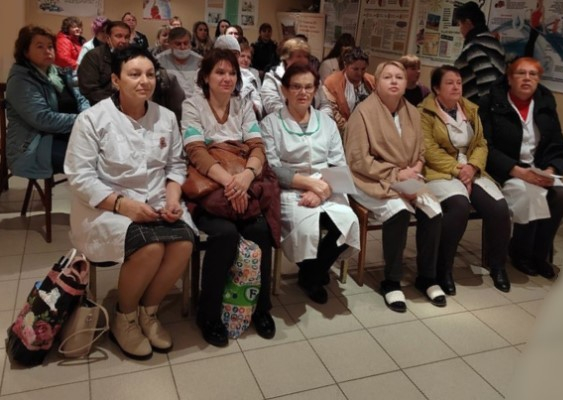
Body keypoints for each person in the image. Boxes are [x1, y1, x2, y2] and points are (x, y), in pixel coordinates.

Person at [64, 46, 195, 360]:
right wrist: (125, 206)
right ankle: (124, 317)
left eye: (149, 74)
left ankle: (148, 312)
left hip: (157, 200)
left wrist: (173, 199)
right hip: (105, 208)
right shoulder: (92, 120)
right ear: (115, 79)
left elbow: (175, 165)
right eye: (134, 74)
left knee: (183, 243)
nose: (144, 81)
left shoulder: (165, 117)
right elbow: (80, 176)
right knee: (150, 248)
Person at [181, 49, 278, 347]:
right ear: (206, 77)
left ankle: (260, 308)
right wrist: (230, 183)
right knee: (224, 234)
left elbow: (257, 147)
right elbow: (196, 151)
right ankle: (208, 314)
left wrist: (246, 177)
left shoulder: (243, 105)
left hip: (242, 180)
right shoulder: (192, 105)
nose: (227, 78)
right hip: (209, 186)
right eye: (220, 72)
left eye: (232, 73)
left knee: (259, 230)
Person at [345, 61, 445, 312]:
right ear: (376, 83)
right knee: (399, 213)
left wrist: (416, 168)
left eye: (399, 77)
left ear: (405, 82)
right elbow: (358, 159)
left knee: (433, 211)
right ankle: (391, 280)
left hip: (408, 176)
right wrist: (396, 174)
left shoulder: (412, 111)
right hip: (370, 178)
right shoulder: (363, 113)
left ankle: (427, 276)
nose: (393, 81)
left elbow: (421, 150)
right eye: (387, 77)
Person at [261, 63, 360, 304]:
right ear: (284, 90)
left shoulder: (326, 123)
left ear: (315, 90)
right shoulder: (270, 123)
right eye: (296, 87)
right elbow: (272, 168)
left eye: (308, 87)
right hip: (289, 189)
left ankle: (310, 273)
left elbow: (337, 162)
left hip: (326, 185)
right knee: (305, 230)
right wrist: (308, 184)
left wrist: (321, 190)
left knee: (348, 224)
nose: (302, 92)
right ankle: (313, 273)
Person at [479, 57, 563, 279]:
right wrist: (518, 171)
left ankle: (539, 254)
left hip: (538, 171)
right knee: (530, 196)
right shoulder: (491, 103)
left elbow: (559, 146)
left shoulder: (545, 105)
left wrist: (550, 172)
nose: (527, 78)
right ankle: (520, 252)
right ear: (509, 78)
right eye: (521, 73)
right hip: (506, 172)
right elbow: (486, 147)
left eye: (533, 74)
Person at [419, 65, 511, 294]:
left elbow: (481, 144)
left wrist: (472, 167)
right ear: (436, 88)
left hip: (471, 169)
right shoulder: (424, 112)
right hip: (440, 171)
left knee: (499, 208)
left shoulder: (470, 109)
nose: (456, 87)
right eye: (449, 83)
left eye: (459, 82)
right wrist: (459, 170)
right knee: (459, 206)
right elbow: (429, 150)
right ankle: (443, 268)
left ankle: (498, 266)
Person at [6, 25, 89, 179]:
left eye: (50, 46)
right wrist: (83, 120)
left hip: (66, 133)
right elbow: (43, 119)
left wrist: (88, 116)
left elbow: (80, 98)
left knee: (110, 150)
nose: (47, 51)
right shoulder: (20, 81)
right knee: (90, 162)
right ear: (25, 52)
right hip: (34, 146)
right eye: (40, 46)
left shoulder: (59, 73)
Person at [261, 38, 331, 117]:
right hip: (282, 123)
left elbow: (325, 105)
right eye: (299, 56)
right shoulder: (272, 78)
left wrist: (318, 120)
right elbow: (273, 107)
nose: (303, 60)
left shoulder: (313, 77)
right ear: (286, 58)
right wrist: (301, 119)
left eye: (306, 56)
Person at [454, 1, 506, 104]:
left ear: (468, 23)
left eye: (460, 24)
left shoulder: (475, 46)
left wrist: (481, 111)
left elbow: (486, 82)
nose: (460, 30)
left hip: (478, 109)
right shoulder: (494, 43)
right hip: (495, 105)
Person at [323, 47, 374, 133]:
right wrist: (349, 131)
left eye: (363, 69)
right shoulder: (332, 82)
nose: (359, 73)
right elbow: (333, 112)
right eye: (355, 69)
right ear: (345, 65)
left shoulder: (371, 81)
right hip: (342, 131)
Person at [78, 20, 130, 105]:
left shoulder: (132, 57)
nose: (123, 41)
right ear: (108, 38)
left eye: (127, 37)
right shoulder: (93, 57)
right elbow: (90, 90)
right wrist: (117, 103)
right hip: (102, 105)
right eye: (118, 36)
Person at [156, 27, 203, 98]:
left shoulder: (200, 61)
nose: (182, 47)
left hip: (195, 101)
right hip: (169, 101)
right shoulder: (159, 60)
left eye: (186, 43)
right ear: (170, 44)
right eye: (178, 44)